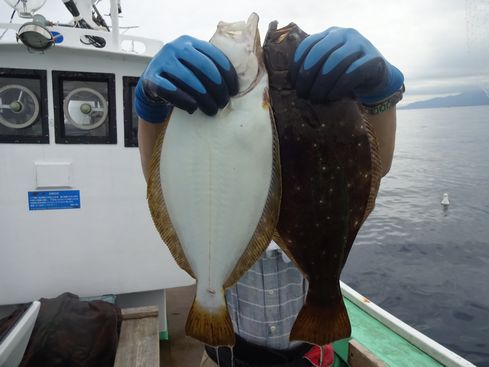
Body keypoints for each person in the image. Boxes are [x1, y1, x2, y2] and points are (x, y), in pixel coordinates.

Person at [136, 26, 403, 367]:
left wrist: (382, 96)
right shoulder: (227, 132)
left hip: (309, 358)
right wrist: (151, 106)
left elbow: (375, 167)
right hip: (226, 358)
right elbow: (158, 174)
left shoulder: (313, 124)